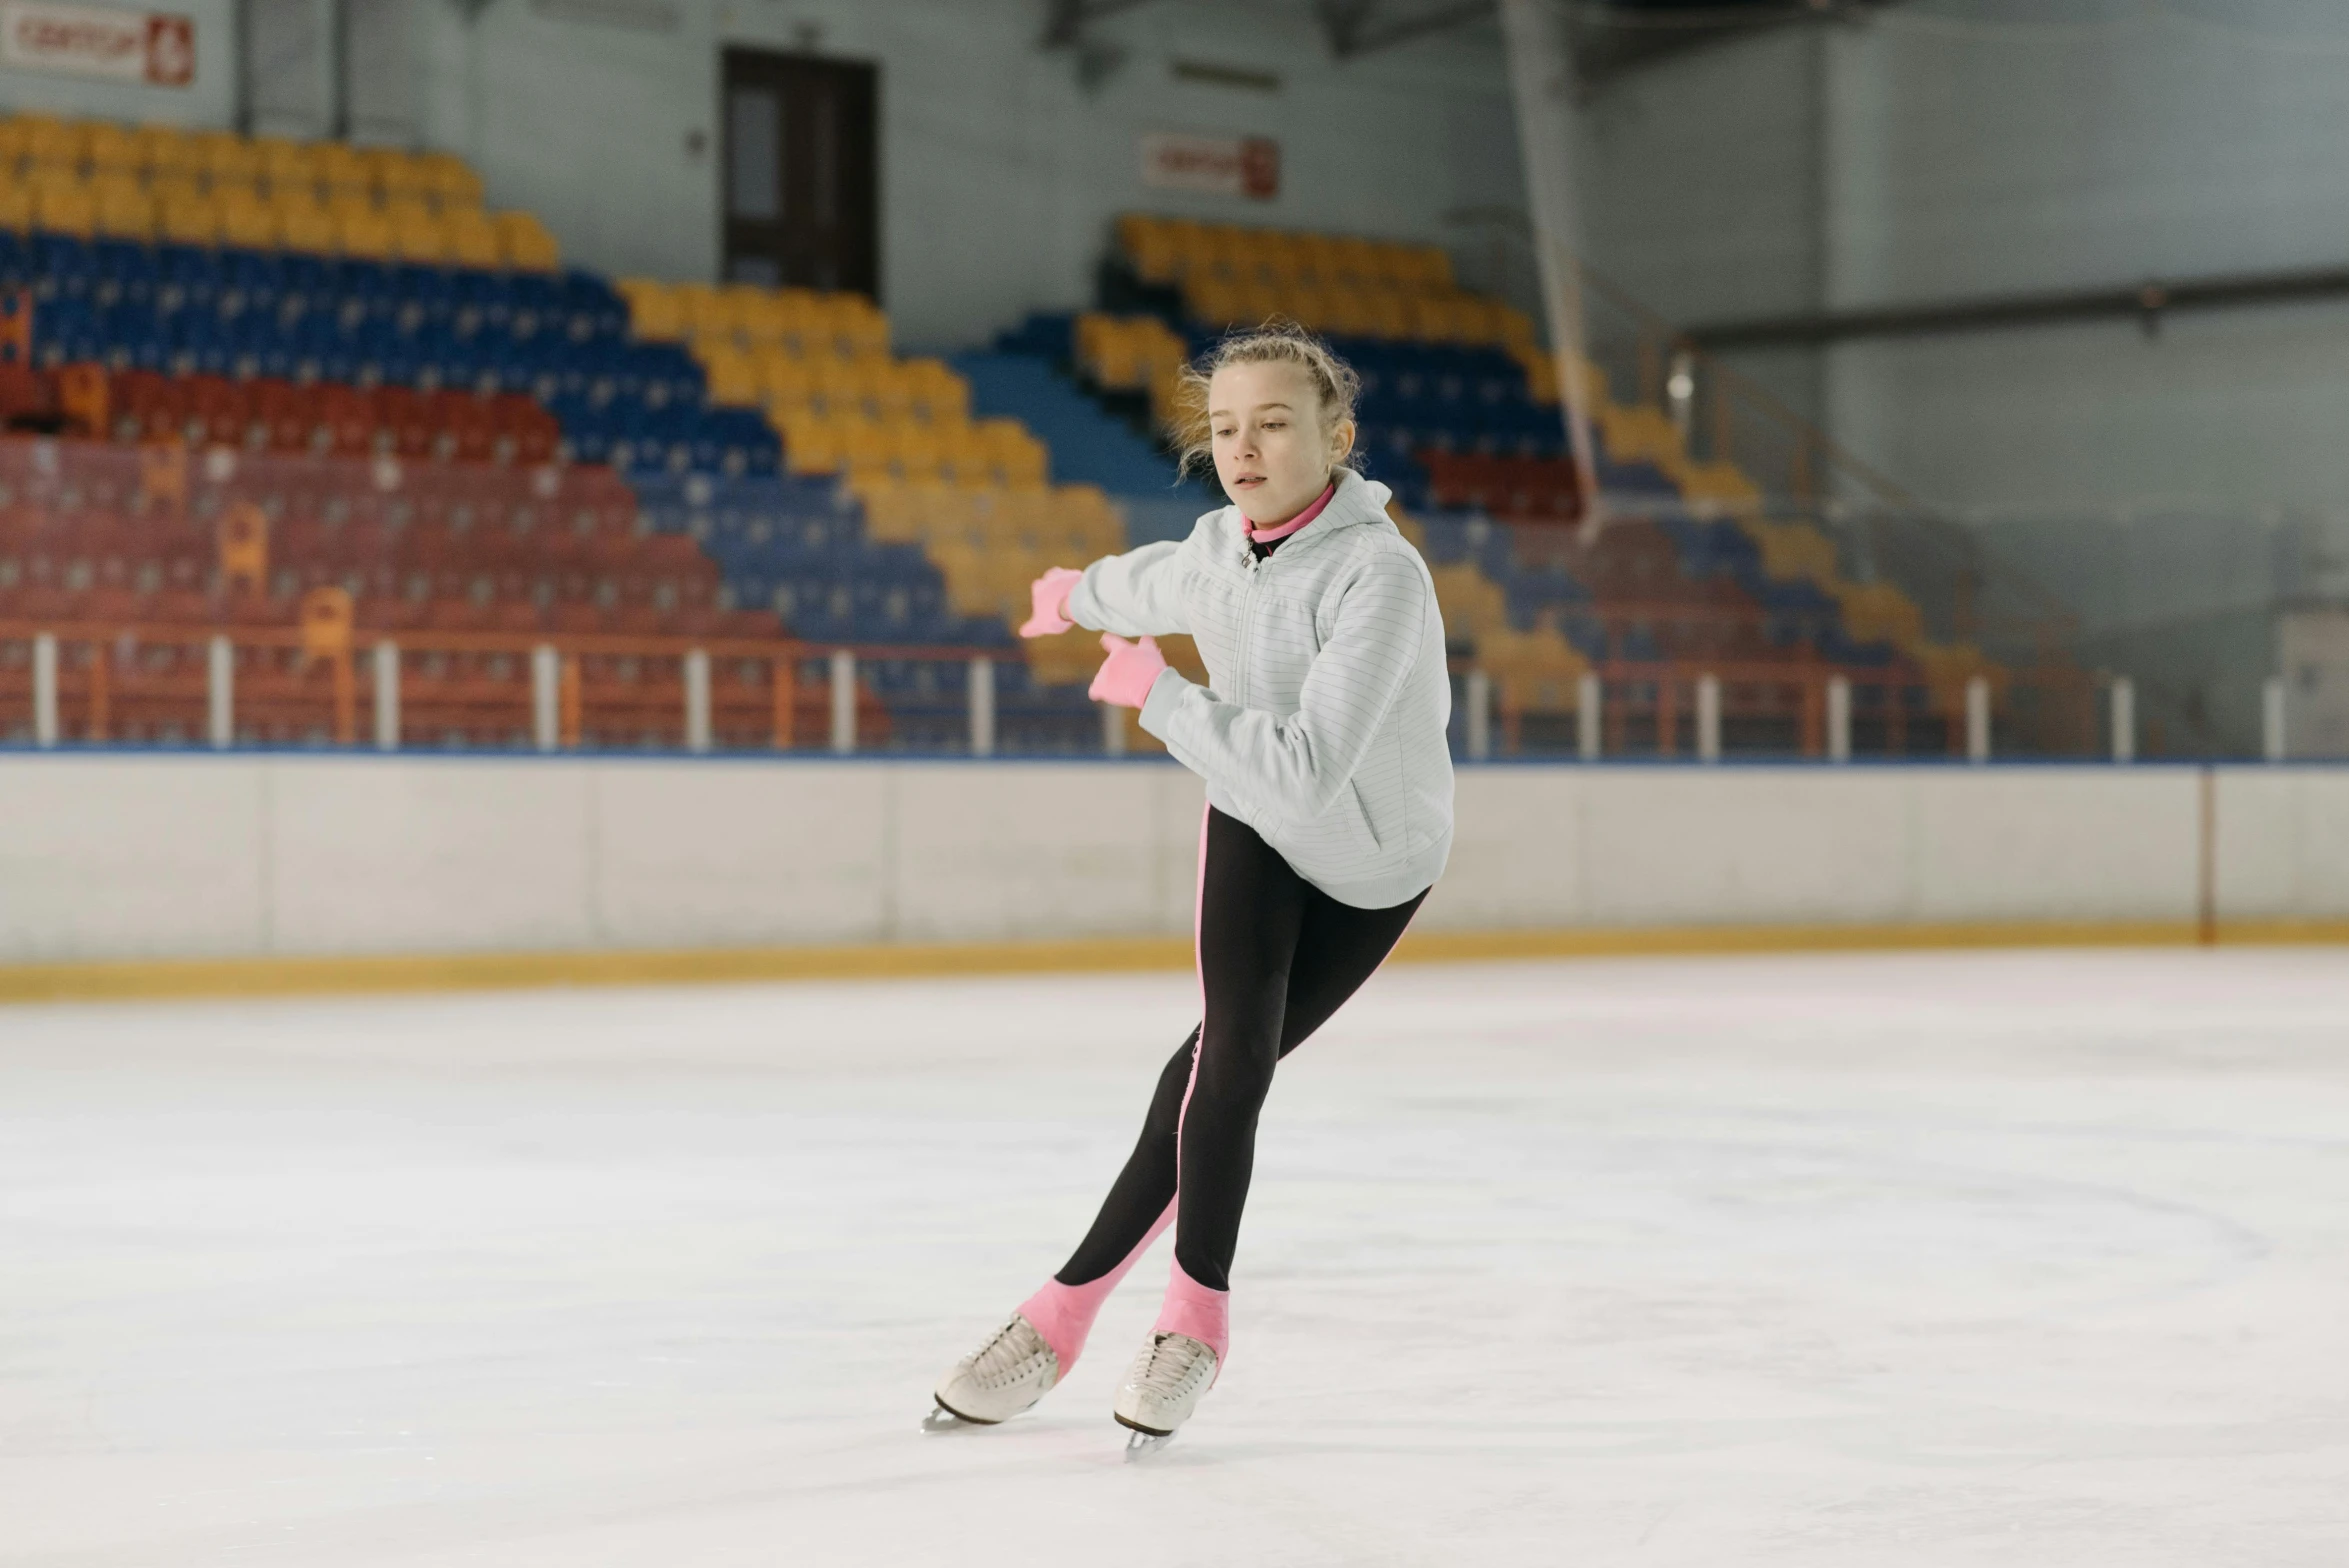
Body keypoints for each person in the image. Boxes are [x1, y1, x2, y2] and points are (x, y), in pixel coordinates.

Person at [929, 322, 1455, 1450]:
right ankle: (1108, 1319)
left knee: (1224, 1061)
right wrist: (1070, 594)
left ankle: (1131, 1319)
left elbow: (1315, 767)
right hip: (1256, 816)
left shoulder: (1383, 577)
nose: (1245, 447)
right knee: (1224, 1057)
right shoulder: (1216, 551)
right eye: (1224, 427)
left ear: (1338, 437)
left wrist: (1161, 698)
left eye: (1273, 422)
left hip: (1372, 864)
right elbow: (1143, 582)